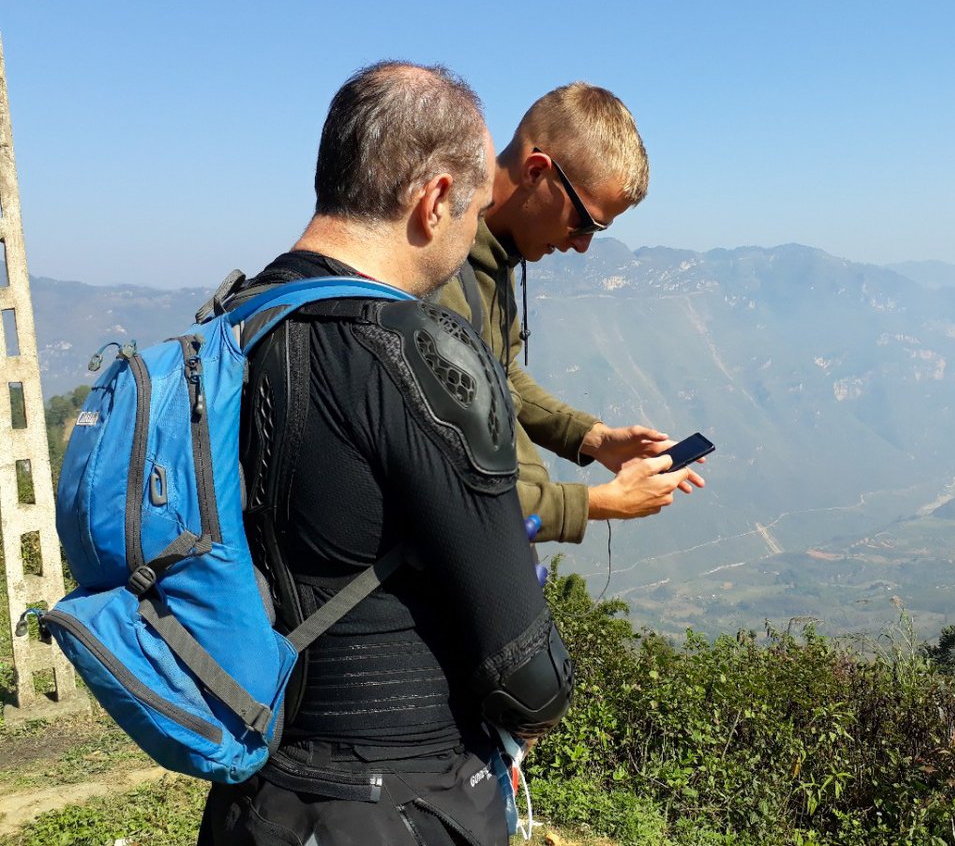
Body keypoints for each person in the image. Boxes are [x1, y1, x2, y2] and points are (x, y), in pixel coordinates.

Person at [198, 62, 572, 846]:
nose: (472, 228)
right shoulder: (416, 354)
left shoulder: (229, 326)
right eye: (471, 209)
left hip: (252, 797)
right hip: (401, 801)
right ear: (435, 199)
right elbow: (528, 674)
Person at [436, 83, 704, 545]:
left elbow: (500, 376)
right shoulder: (438, 275)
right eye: (585, 222)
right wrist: (598, 503)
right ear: (537, 171)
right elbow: (447, 488)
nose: (582, 245)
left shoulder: (497, 258)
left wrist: (595, 440)